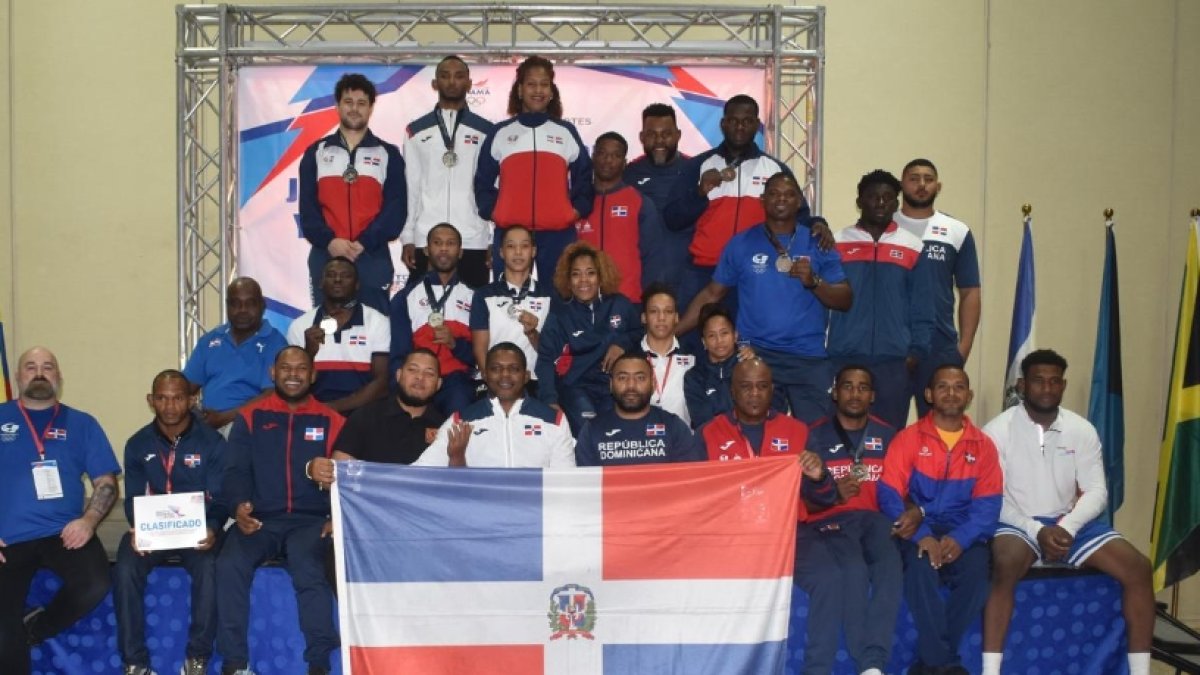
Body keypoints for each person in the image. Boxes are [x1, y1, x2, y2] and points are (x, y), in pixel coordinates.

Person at [980, 350, 1153, 675]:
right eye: (1038, 381)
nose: (1047, 388)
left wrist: (1067, 527)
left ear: (1063, 385)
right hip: (1017, 522)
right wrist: (1037, 530)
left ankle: (1141, 671)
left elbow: (1097, 491)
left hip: (1068, 522)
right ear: (1022, 385)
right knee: (1004, 565)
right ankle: (991, 670)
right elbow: (992, 497)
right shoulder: (996, 430)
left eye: (1054, 381)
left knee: (1139, 568)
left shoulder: (1081, 428)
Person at [697, 358, 839, 675]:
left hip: (788, 534)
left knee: (829, 577)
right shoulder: (708, 433)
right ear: (733, 391)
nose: (754, 394)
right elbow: (692, 497)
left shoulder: (797, 431)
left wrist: (818, 476)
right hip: (731, 539)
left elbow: (825, 497)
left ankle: (817, 669)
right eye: (746, 387)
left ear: (772, 390)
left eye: (762, 386)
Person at [680, 172, 850, 423]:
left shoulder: (818, 242)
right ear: (762, 200)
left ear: (799, 201)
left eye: (789, 194)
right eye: (774, 194)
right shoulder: (741, 244)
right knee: (757, 435)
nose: (781, 199)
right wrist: (674, 331)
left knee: (817, 434)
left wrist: (814, 282)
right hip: (756, 354)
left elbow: (845, 299)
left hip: (808, 357)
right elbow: (712, 293)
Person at [217, 346, 343, 675]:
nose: (293, 374)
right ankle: (235, 663)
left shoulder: (333, 421)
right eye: (285, 368)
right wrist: (238, 506)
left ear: (313, 375)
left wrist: (335, 517)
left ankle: (319, 663)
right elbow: (234, 471)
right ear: (273, 373)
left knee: (307, 566)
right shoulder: (250, 417)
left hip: (310, 522)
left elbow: (347, 477)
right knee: (229, 564)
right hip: (260, 521)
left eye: (301, 368)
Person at [0, 347, 121, 673]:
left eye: (47, 367)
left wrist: (89, 521)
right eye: (31, 367)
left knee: (95, 583)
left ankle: (35, 629)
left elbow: (106, 483)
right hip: (8, 539)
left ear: (59, 377)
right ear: (18, 376)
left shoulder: (82, 424)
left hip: (64, 533)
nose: (39, 373)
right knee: (2, 634)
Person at [878, 364, 1002, 675]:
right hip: (918, 527)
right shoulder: (907, 438)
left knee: (977, 578)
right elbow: (889, 495)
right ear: (929, 394)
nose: (951, 393)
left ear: (969, 396)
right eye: (943, 386)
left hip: (964, 529)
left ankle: (930, 662)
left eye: (959, 387)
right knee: (920, 571)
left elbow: (988, 506)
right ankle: (944, 663)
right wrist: (922, 535)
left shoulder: (983, 446)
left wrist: (961, 539)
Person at [665, 95, 831, 315]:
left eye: (747, 121)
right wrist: (699, 193)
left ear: (756, 124)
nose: (740, 127)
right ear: (723, 123)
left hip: (756, 271)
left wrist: (819, 223)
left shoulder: (774, 169)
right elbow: (673, 219)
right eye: (733, 121)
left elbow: (799, 217)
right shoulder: (699, 165)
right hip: (704, 272)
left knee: (751, 335)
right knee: (695, 335)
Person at [115, 370, 227, 675]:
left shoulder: (212, 443)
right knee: (124, 567)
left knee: (210, 567)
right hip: (153, 532)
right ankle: (134, 662)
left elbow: (220, 499)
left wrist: (212, 527)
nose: (170, 406)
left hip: (196, 531)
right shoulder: (137, 444)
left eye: (177, 398)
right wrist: (138, 527)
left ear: (191, 400)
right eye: (162, 398)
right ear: (151, 401)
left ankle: (197, 657)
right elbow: (133, 497)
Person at [804, 365, 901, 675]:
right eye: (847, 386)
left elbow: (902, 487)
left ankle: (873, 664)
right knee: (854, 569)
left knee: (890, 566)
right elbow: (801, 498)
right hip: (831, 521)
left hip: (875, 520)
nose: (855, 393)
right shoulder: (812, 435)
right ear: (835, 392)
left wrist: (914, 512)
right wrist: (832, 495)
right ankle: (866, 660)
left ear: (872, 395)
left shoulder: (889, 435)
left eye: (862, 387)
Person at [830, 169, 933, 430]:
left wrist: (915, 353)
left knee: (889, 436)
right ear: (859, 201)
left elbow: (923, 305)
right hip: (845, 357)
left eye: (887, 198)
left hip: (894, 362)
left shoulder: (912, 246)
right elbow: (823, 301)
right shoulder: (837, 243)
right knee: (842, 433)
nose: (880, 203)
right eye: (873, 197)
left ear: (896, 204)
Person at [475, 55, 593, 283]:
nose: (538, 90)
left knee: (558, 298)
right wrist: (494, 212)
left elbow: (584, 177)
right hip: (511, 235)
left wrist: (575, 211)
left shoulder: (566, 132)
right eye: (531, 84)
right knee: (507, 299)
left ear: (551, 91)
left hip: (558, 235)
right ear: (520, 90)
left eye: (544, 84)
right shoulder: (500, 133)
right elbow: (482, 181)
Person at [299, 72, 405, 312]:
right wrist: (330, 241)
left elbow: (395, 210)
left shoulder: (388, 154)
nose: (354, 109)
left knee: (375, 326)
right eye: (348, 102)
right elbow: (308, 209)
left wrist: (365, 242)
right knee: (326, 327)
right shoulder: (316, 153)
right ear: (337, 106)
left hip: (371, 255)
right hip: (326, 254)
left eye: (361, 103)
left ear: (371, 108)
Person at [894, 159, 981, 417]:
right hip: (892, 347)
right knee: (886, 428)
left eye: (928, 179)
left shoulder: (957, 231)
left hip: (940, 347)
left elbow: (970, 292)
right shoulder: (884, 227)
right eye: (914, 178)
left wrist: (963, 348)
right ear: (902, 184)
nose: (921, 185)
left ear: (938, 186)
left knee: (940, 426)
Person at [400, 55, 495, 289]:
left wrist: (493, 238)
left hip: (473, 239)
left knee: (473, 308)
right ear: (435, 83)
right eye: (445, 76)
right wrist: (408, 237)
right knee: (424, 307)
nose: (452, 82)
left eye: (459, 76)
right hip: (427, 239)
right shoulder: (416, 131)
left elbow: (495, 187)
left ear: (469, 84)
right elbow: (411, 186)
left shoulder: (487, 131)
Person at [534, 242, 640, 434]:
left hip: (613, 386)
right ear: (568, 280)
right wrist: (549, 400)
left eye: (590, 273)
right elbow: (545, 359)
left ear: (601, 276)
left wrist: (621, 344)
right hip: (576, 386)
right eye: (576, 274)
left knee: (618, 432)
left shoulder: (620, 304)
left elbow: (639, 332)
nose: (584, 280)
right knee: (589, 431)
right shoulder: (560, 314)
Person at [414, 343, 575, 468]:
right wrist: (457, 458)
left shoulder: (554, 420)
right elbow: (420, 472)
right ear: (485, 375)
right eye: (496, 369)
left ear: (526, 376)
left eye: (514, 369)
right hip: (480, 503)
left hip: (535, 503)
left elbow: (565, 482)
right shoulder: (460, 421)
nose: (505, 375)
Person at [390, 223, 477, 416]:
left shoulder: (475, 297)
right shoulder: (405, 297)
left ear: (460, 252)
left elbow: (480, 356)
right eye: (437, 243)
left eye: (450, 243)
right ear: (427, 250)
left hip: (456, 381)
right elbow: (398, 353)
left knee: (459, 413)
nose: (444, 248)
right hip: (417, 379)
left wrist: (456, 345)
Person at [288, 257, 390, 415]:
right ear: (321, 282)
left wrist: (333, 408)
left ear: (357, 284)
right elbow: (292, 381)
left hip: (363, 414)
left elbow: (382, 382)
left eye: (346, 275)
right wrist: (308, 353)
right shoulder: (300, 326)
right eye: (331, 275)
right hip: (314, 413)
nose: (337, 280)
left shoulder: (378, 322)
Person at [183, 277, 287, 432]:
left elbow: (272, 395)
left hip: (250, 425)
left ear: (262, 305)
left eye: (250, 303)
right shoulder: (210, 340)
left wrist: (224, 418)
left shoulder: (275, 342)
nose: (242, 310)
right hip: (208, 423)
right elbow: (186, 386)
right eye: (235, 304)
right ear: (227, 306)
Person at [575, 131, 665, 303]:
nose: (608, 160)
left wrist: (649, 300)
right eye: (602, 153)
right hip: (583, 302)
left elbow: (653, 258)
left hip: (627, 301)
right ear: (593, 157)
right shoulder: (576, 204)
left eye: (616, 155)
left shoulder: (640, 202)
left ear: (624, 163)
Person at [574, 352, 705, 466]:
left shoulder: (674, 427)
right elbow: (586, 484)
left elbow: (689, 480)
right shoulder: (592, 431)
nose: (631, 385)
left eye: (640, 378)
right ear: (611, 385)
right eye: (622, 378)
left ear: (653, 384)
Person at [470, 225, 553, 392]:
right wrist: (491, 380)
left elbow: (550, 351)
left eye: (524, 246)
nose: (518, 252)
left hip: (534, 380)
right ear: (501, 252)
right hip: (494, 381)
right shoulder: (483, 295)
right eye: (511, 246)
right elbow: (480, 348)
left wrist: (532, 333)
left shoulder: (548, 295)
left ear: (533, 251)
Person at [625, 103, 691, 290]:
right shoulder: (629, 175)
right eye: (652, 134)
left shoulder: (695, 170)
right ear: (642, 137)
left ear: (678, 135)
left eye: (666, 134)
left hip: (686, 281)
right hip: (643, 280)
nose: (659, 141)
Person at [683, 303, 752, 428]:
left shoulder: (750, 367)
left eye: (724, 333)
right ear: (704, 342)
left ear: (735, 335)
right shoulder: (694, 377)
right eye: (712, 335)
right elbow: (702, 421)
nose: (719, 340)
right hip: (712, 437)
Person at [638, 283, 695, 425]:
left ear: (676, 317)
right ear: (644, 317)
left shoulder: (693, 357)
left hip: (684, 437)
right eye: (654, 311)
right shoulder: (630, 358)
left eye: (668, 311)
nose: (661, 317)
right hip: (641, 437)